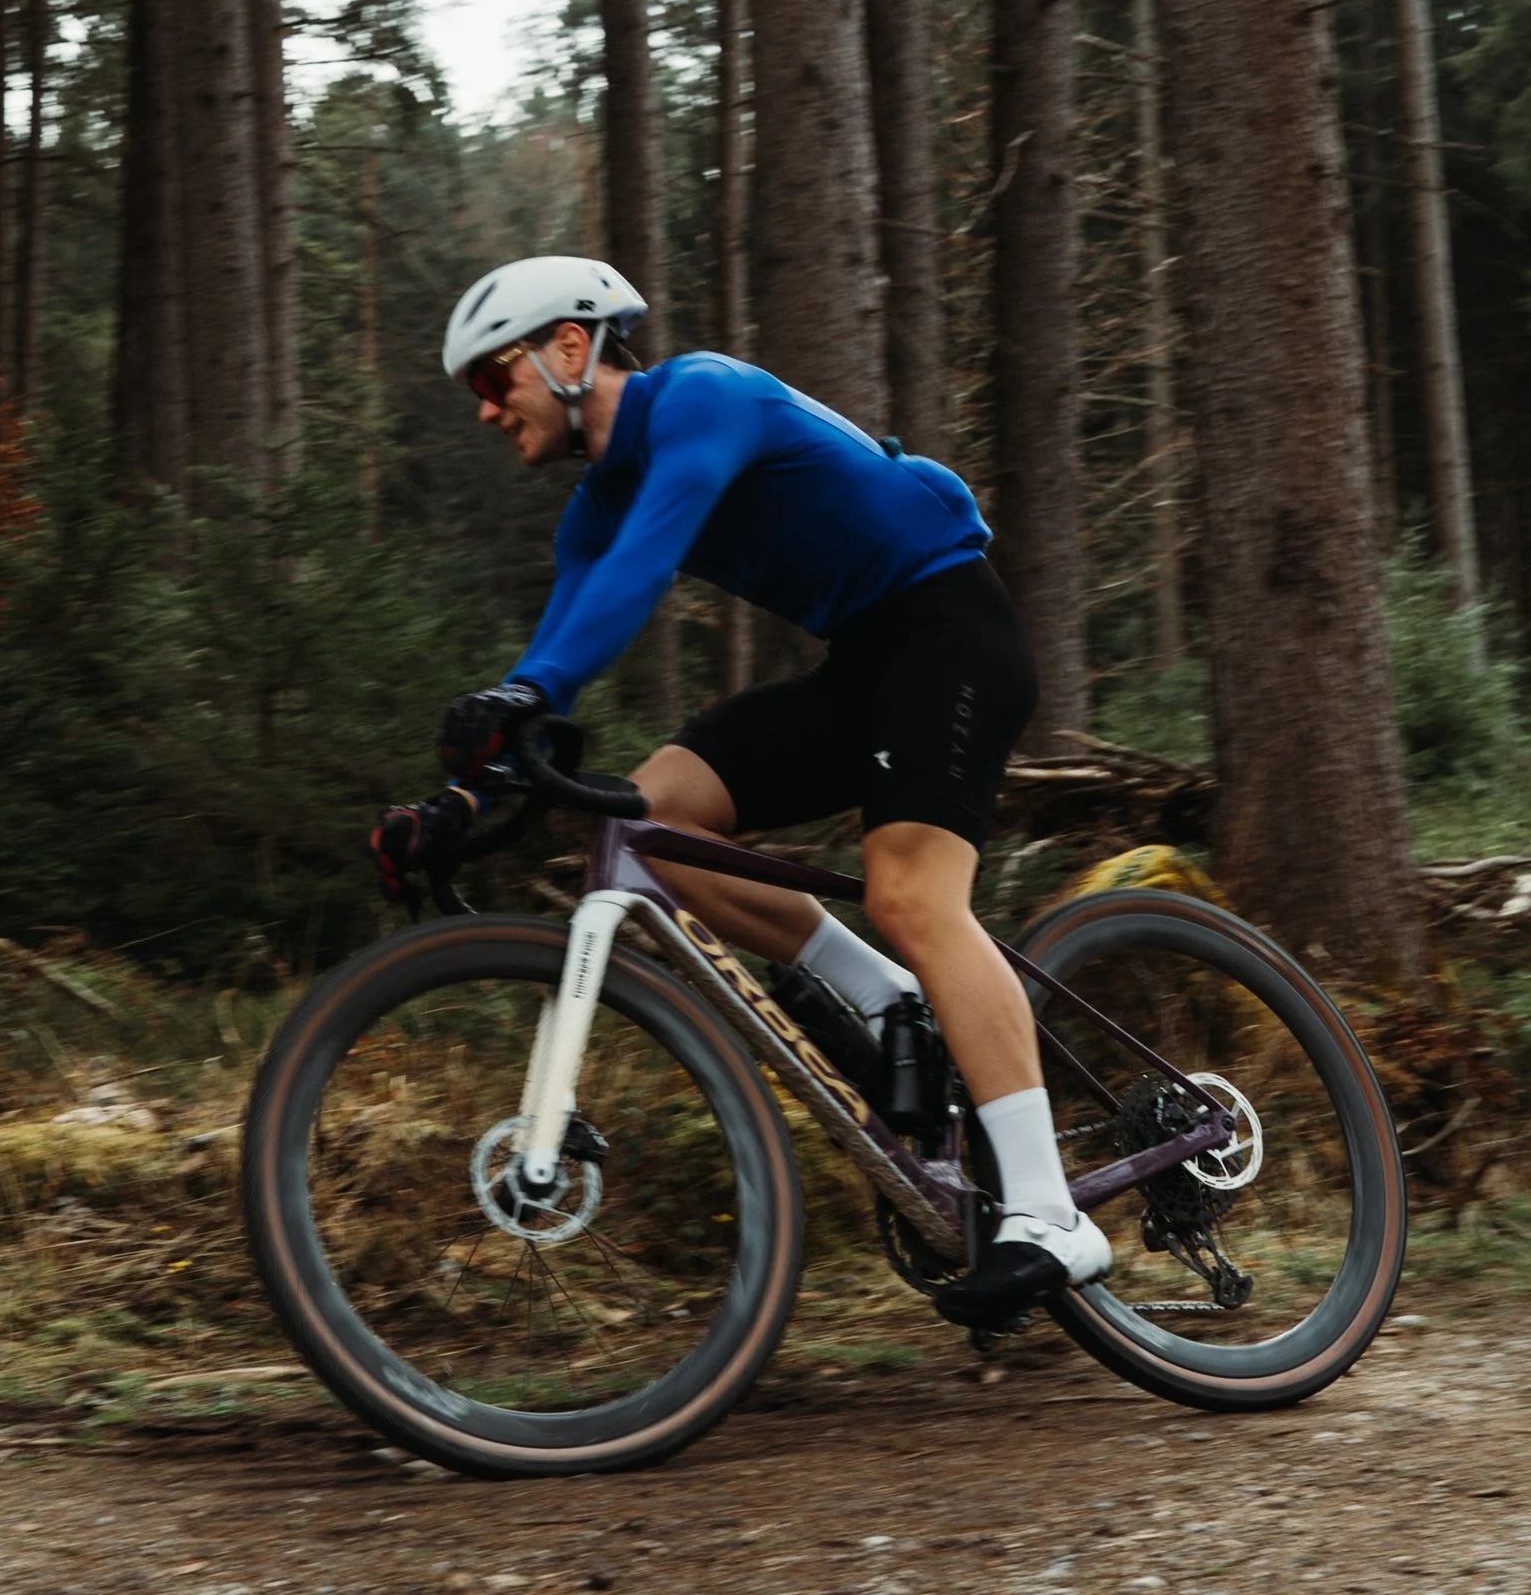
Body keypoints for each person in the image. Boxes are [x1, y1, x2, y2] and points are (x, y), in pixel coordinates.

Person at [430, 253, 1110, 1326]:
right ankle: (883, 994)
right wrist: (457, 800)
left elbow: (642, 566)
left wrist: (527, 691)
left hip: (948, 632)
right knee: (654, 820)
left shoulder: (703, 397)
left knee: (912, 892)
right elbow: (552, 659)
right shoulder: (593, 510)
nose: (482, 411)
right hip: (861, 664)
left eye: (489, 380)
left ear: (569, 348)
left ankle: (1048, 1213)